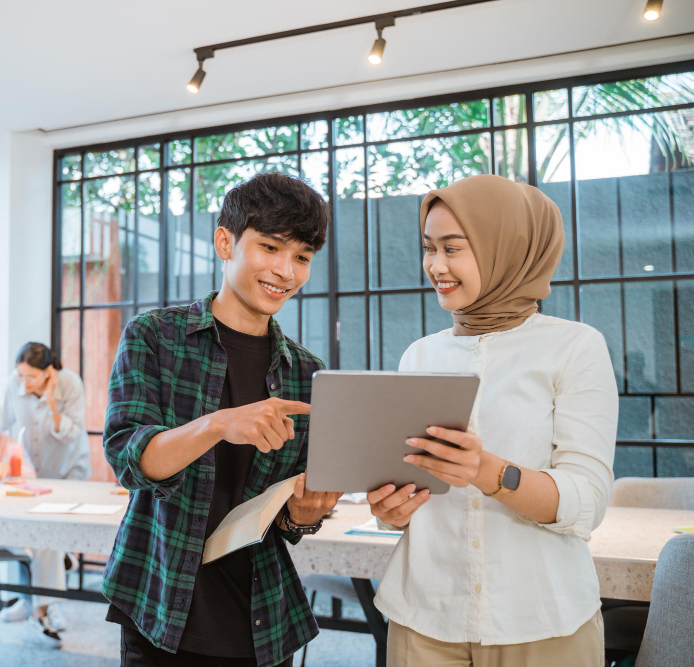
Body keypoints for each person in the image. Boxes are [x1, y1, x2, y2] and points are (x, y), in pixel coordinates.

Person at [368, 174, 618, 666]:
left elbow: (587, 503)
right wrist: (390, 510)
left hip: (542, 620)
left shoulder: (574, 347)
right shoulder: (419, 355)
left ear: (509, 248)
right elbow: (406, 494)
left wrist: (488, 473)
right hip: (424, 619)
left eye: (453, 249)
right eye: (428, 248)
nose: (435, 266)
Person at [102, 172, 343, 667]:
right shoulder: (154, 337)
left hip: (262, 616)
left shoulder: (307, 372)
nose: (286, 271)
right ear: (225, 241)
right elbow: (129, 457)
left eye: (301, 257)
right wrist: (218, 424)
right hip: (160, 600)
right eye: (271, 247)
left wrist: (305, 512)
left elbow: (287, 515)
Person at [0, 342, 90, 646]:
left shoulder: (69, 384)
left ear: (49, 371)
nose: (24, 383)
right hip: (30, 473)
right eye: (20, 376)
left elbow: (73, 433)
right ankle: (31, 602)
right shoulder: (15, 383)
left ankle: (46, 605)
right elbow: (4, 425)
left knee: (48, 537)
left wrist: (51, 400)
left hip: (67, 472)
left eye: (31, 378)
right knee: (29, 536)